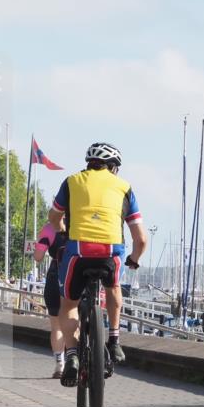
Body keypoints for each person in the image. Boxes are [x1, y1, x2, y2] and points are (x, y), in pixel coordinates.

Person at [48, 142, 148, 387]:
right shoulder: (124, 188)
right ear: (113, 167)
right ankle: (114, 341)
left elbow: (54, 217)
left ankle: (72, 355)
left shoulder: (72, 182)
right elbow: (141, 239)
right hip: (110, 252)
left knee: (68, 304)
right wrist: (134, 260)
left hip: (78, 252)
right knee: (113, 287)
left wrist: (62, 230)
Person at [34, 216, 69, 378]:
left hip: (56, 275)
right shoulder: (81, 223)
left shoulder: (49, 228)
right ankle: (76, 358)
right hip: (77, 275)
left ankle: (60, 365)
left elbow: (38, 257)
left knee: (56, 326)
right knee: (76, 321)